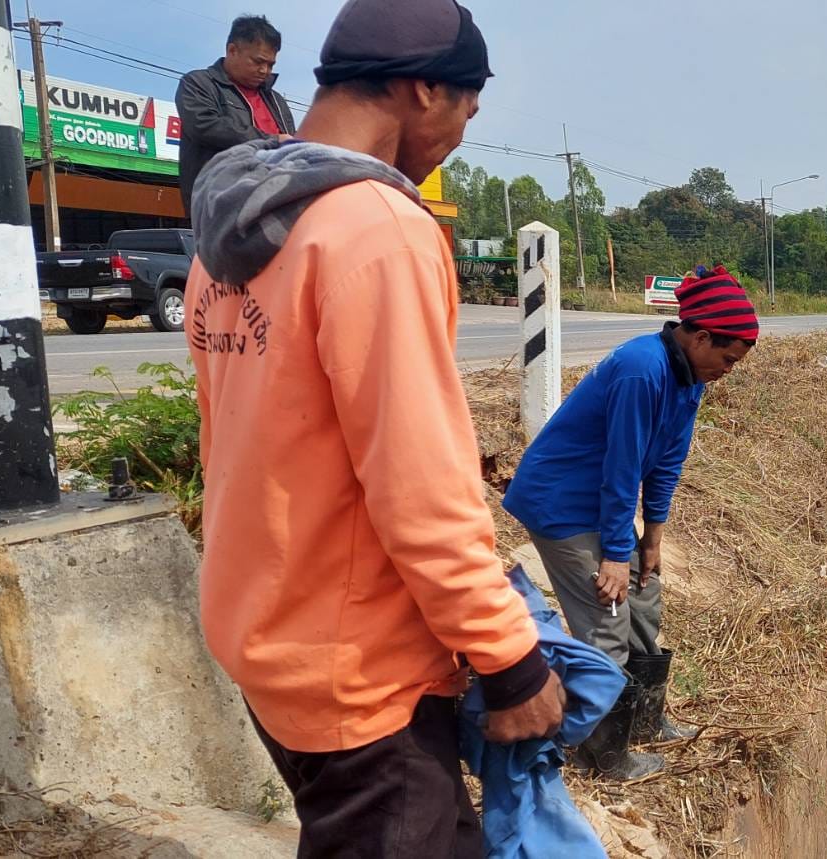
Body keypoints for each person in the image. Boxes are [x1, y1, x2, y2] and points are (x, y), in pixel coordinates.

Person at [185, 2, 564, 855]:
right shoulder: (378, 228)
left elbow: (229, 440)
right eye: (467, 110)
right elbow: (420, 485)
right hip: (359, 674)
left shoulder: (229, 234)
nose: (459, 137)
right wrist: (510, 658)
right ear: (424, 88)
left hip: (265, 636)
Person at [505, 264, 757, 781]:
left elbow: (666, 462)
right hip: (561, 502)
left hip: (598, 501)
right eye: (728, 358)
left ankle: (642, 720)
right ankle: (602, 754)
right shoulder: (643, 370)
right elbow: (621, 470)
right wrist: (616, 556)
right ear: (701, 337)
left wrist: (651, 542)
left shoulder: (690, 376)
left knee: (643, 596)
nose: (729, 370)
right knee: (608, 617)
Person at [174, 15, 298, 219]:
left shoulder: (276, 100)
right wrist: (273, 140)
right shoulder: (197, 83)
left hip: (274, 205)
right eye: (258, 61)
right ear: (232, 50)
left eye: (271, 65)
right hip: (220, 205)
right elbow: (205, 126)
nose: (264, 70)